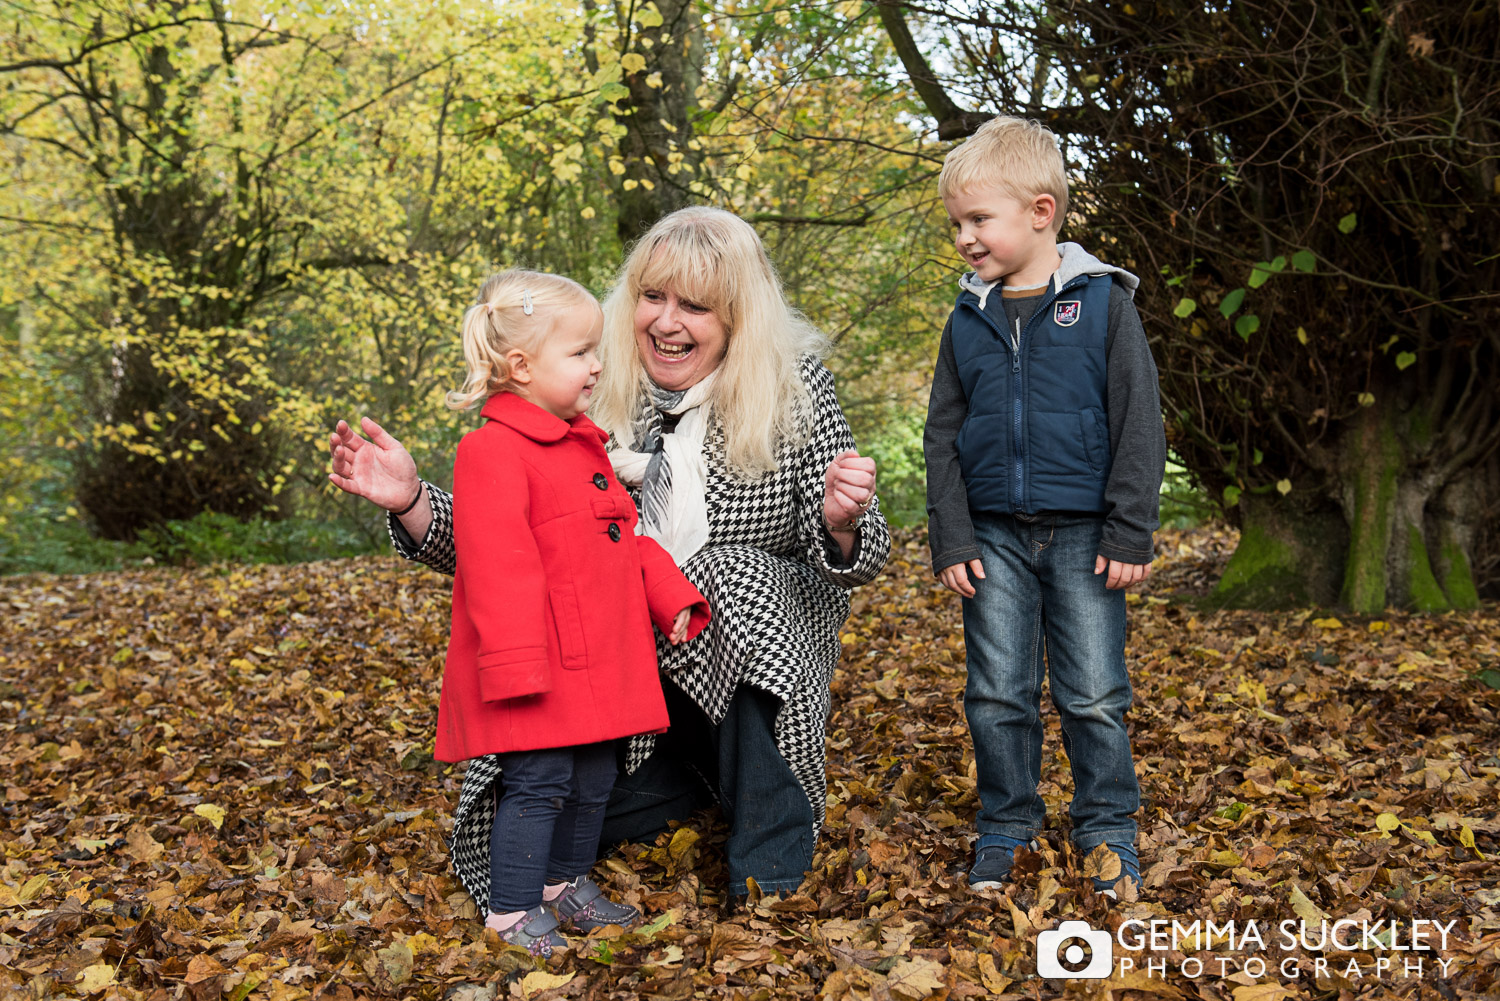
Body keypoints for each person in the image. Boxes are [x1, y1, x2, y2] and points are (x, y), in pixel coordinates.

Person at [329, 207, 890, 902]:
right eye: (653, 297)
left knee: (730, 574)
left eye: (696, 306)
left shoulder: (794, 392)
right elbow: (505, 538)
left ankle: (769, 861)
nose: (666, 321)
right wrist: (412, 498)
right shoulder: (584, 382)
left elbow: (861, 555)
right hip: (618, 660)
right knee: (557, 808)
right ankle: (684, 785)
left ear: (738, 317)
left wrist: (839, 518)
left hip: (749, 654)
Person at [429, 269, 710, 955]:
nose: (596, 365)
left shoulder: (582, 445)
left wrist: (670, 594)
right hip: (543, 664)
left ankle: (562, 882)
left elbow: (626, 538)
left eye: (594, 349)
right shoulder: (492, 450)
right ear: (520, 365)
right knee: (540, 782)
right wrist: (516, 665)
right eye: (579, 352)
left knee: (593, 776)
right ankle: (512, 911)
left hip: (600, 658)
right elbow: (496, 568)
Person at [922, 116, 1166, 896]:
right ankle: (1007, 824)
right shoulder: (969, 318)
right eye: (957, 222)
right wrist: (951, 533)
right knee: (996, 691)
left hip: (1085, 534)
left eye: (978, 219)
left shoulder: (1100, 305)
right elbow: (942, 436)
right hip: (991, 536)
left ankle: (1106, 827)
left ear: (1040, 210)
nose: (965, 236)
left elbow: (1139, 420)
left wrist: (1131, 526)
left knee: (1093, 691)